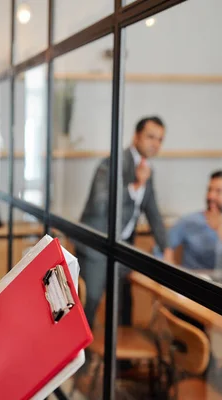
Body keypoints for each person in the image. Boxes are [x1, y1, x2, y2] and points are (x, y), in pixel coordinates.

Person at [76, 116, 168, 325]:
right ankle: (81, 358)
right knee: (88, 304)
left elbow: (153, 211)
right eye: (150, 137)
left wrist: (167, 248)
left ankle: (119, 358)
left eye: (160, 139)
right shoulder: (111, 163)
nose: (155, 143)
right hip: (97, 247)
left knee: (124, 304)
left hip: (122, 248)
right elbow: (100, 203)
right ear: (136, 136)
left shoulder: (147, 169)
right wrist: (135, 185)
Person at [164, 170, 222, 271]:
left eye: (219, 191)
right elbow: (161, 250)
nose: (211, 196)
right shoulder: (189, 221)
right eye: (209, 190)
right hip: (194, 283)